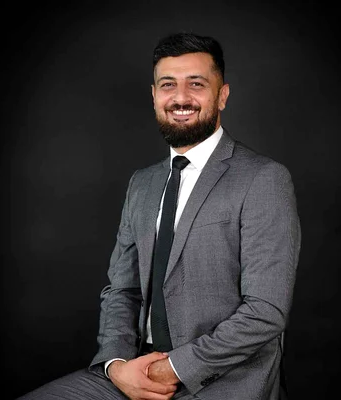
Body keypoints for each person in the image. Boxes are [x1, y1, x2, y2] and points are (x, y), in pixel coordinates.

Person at [17, 32, 301, 400]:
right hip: (135, 369)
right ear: (154, 96)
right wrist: (117, 365)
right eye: (168, 85)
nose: (181, 98)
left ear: (222, 95)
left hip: (223, 380)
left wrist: (171, 368)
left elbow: (266, 311)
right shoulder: (143, 184)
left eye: (196, 84)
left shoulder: (264, 178)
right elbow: (122, 290)